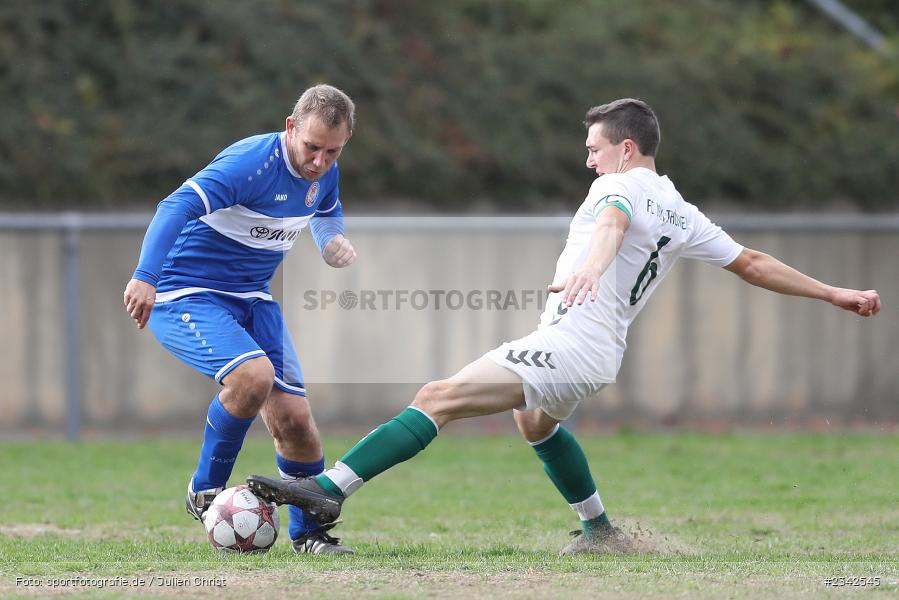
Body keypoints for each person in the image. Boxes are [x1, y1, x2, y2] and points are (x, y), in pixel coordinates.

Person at [246, 98, 882, 556]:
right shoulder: (680, 208)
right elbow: (752, 262)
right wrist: (833, 292)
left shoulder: (621, 187)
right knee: (534, 423)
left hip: (571, 343)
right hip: (598, 352)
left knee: (436, 397)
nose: (589, 161)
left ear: (625, 148)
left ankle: (327, 491)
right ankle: (601, 530)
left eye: (594, 149)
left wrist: (589, 271)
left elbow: (609, 225)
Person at [123, 84, 358, 554]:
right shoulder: (250, 162)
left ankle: (309, 535)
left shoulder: (323, 172)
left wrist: (331, 238)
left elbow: (326, 210)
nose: (319, 161)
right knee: (253, 377)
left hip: (253, 299)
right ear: (291, 128)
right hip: (185, 291)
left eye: (332, 152)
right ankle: (206, 490)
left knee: (295, 418)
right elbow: (176, 205)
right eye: (312, 147)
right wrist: (145, 276)